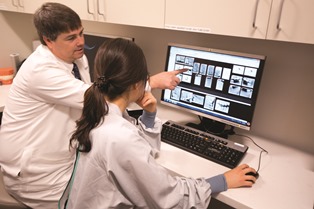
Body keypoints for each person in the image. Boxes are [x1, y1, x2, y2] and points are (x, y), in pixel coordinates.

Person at [0, 2, 184, 209]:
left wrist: (144, 119)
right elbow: (93, 97)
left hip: (61, 161)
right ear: (48, 41)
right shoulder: (39, 70)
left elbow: (102, 103)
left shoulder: (77, 59)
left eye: (81, 33)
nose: (80, 42)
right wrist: (151, 82)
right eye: (71, 38)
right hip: (35, 175)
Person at [64, 38, 258, 209]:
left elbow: (136, 155)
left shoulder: (98, 113)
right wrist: (222, 180)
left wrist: (149, 116)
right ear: (136, 84)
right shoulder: (119, 136)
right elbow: (170, 199)